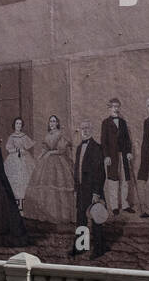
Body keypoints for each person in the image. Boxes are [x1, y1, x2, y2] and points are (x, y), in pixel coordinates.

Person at [23, 114, 75, 223]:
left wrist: (50, 153)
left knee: (58, 184)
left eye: (54, 121)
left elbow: (61, 150)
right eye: (50, 121)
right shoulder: (47, 136)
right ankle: (46, 214)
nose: (52, 123)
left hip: (58, 162)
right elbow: (45, 148)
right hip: (46, 162)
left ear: (57, 123)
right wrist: (40, 155)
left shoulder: (60, 134)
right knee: (43, 185)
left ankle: (61, 215)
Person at [72, 121, 106, 258]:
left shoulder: (97, 147)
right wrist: (76, 188)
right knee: (81, 218)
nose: (85, 130)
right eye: (83, 128)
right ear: (80, 130)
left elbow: (100, 172)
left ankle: (99, 249)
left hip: (93, 190)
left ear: (91, 130)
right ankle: (81, 247)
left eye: (87, 128)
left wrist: (96, 192)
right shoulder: (79, 147)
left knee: (96, 219)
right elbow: (77, 170)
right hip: (81, 189)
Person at [100, 98, 134, 214]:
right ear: (109, 108)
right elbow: (103, 142)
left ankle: (125, 205)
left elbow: (127, 140)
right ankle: (114, 206)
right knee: (113, 180)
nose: (116, 109)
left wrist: (129, 152)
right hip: (112, 157)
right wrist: (106, 156)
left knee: (125, 181)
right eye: (113, 106)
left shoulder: (123, 122)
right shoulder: (105, 123)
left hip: (123, 156)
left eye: (117, 106)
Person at [4, 117, 34, 210]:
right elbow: (8, 148)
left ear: (22, 126)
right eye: (17, 123)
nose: (18, 125)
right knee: (13, 180)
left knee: (24, 179)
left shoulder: (24, 136)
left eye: (20, 124)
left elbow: (28, 146)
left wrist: (23, 150)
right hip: (13, 159)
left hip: (24, 159)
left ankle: (23, 204)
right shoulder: (11, 136)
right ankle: (14, 203)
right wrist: (16, 150)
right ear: (14, 125)